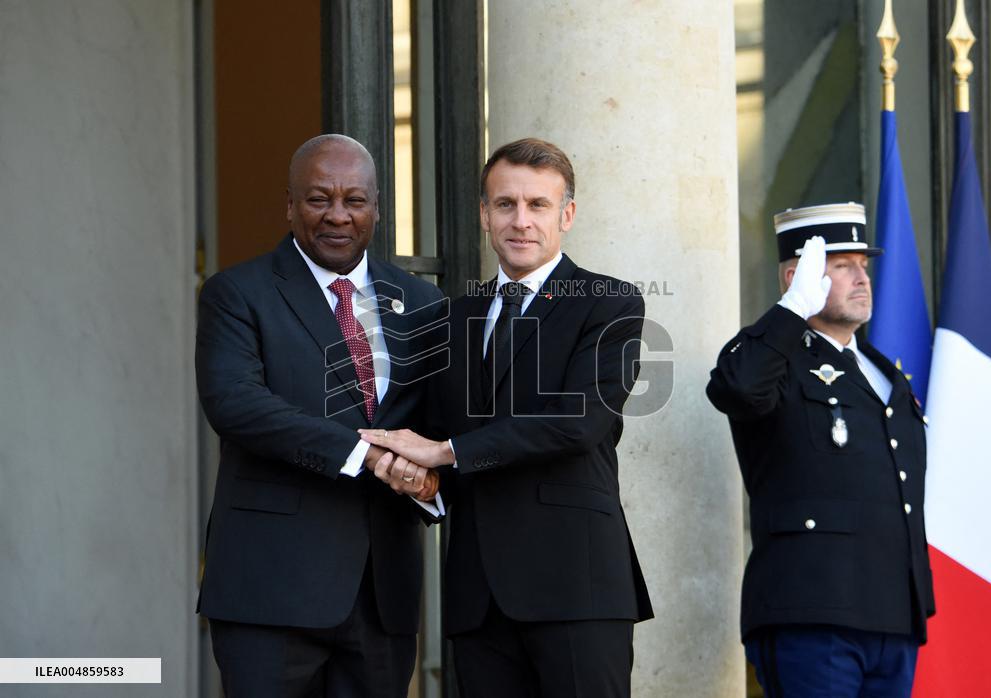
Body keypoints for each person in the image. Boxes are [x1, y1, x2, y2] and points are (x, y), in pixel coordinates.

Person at [360, 138, 653, 698]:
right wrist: (417, 478)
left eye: (538, 205)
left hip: (577, 588)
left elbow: (579, 423)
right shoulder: (451, 319)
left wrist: (445, 453)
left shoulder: (610, 303)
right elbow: (421, 435)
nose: (521, 221)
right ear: (483, 215)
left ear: (566, 215)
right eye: (505, 204)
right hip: (478, 595)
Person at [195, 134, 446, 697]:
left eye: (354, 200)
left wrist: (430, 480)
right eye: (318, 199)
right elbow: (236, 404)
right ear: (289, 204)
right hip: (270, 591)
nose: (338, 215)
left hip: (382, 596)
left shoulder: (425, 306)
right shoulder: (237, 293)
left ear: (377, 208)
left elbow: (441, 425)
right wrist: (365, 454)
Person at [706, 203, 935, 697]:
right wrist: (791, 311)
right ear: (797, 275)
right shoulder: (776, 359)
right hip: (811, 611)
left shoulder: (883, 372)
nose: (861, 277)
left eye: (864, 265)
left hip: (892, 614)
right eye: (841, 265)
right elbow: (738, 389)